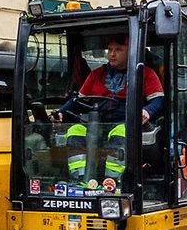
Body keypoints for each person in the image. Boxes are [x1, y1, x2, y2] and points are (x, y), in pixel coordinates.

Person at [50, 36, 165, 183]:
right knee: (75, 130)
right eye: (110, 49)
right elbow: (78, 100)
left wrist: (147, 111)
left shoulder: (146, 74)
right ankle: (80, 180)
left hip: (125, 122)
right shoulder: (97, 74)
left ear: (131, 52)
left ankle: (112, 182)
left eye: (118, 50)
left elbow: (158, 100)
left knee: (120, 133)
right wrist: (61, 112)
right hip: (96, 123)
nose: (112, 54)